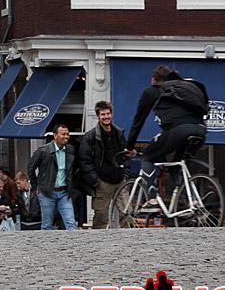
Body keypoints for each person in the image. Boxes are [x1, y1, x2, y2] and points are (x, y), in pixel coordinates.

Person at [126, 66, 209, 204]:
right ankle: (191, 201)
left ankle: (152, 200)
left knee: (147, 157)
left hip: (178, 130)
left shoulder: (154, 90)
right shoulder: (188, 87)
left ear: (154, 80)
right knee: (177, 165)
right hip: (200, 130)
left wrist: (129, 146)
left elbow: (138, 121)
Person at [77, 100, 129, 229]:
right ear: (98, 116)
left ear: (111, 114)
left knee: (126, 214)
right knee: (101, 217)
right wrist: (95, 181)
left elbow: (125, 155)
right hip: (102, 182)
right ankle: (97, 241)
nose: (106, 117)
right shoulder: (90, 136)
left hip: (120, 180)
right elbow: (84, 160)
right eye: (103, 114)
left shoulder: (119, 133)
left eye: (108, 113)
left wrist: (125, 174)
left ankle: (130, 239)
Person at [28, 123, 79, 230]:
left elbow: (72, 170)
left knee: (71, 223)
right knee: (47, 225)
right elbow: (30, 168)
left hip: (64, 192)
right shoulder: (43, 151)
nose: (66, 137)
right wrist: (35, 187)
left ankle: (74, 241)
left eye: (67, 134)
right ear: (55, 135)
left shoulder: (70, 149)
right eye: (63, 134)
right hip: (47, 192)